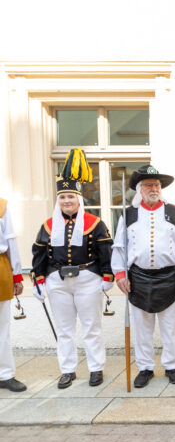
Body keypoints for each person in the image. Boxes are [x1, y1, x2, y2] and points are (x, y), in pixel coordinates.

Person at [31, 149, 114, 389]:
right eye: (63, 197)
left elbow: (104, 251)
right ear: (58, 200)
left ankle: (95, 368)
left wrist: (106, 275)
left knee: (91, 326)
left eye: (71, 197)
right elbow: (39, 255)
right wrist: (38, 280)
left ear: (79, 199)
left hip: (87, 278)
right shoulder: (48, 225)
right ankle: (67, 370)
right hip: (57, 280)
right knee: (65, 329)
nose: (67, 201)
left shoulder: (95, 223)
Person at [112, 165, 175, 388]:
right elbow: (120, 247)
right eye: (148, 185)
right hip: (138, 278)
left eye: (156, 185)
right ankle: (145, 367)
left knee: (169, 326)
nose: (153, 188)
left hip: (168, 277)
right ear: (139, 189)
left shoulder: (174, 213)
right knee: (142, 327)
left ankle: (172, 365)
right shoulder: (128, 215)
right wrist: (120, 273)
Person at [0, 197, 26, 392]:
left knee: (2, 326)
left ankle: (5, 374)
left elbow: (10, 239)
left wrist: (17, 274)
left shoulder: (1, 205)